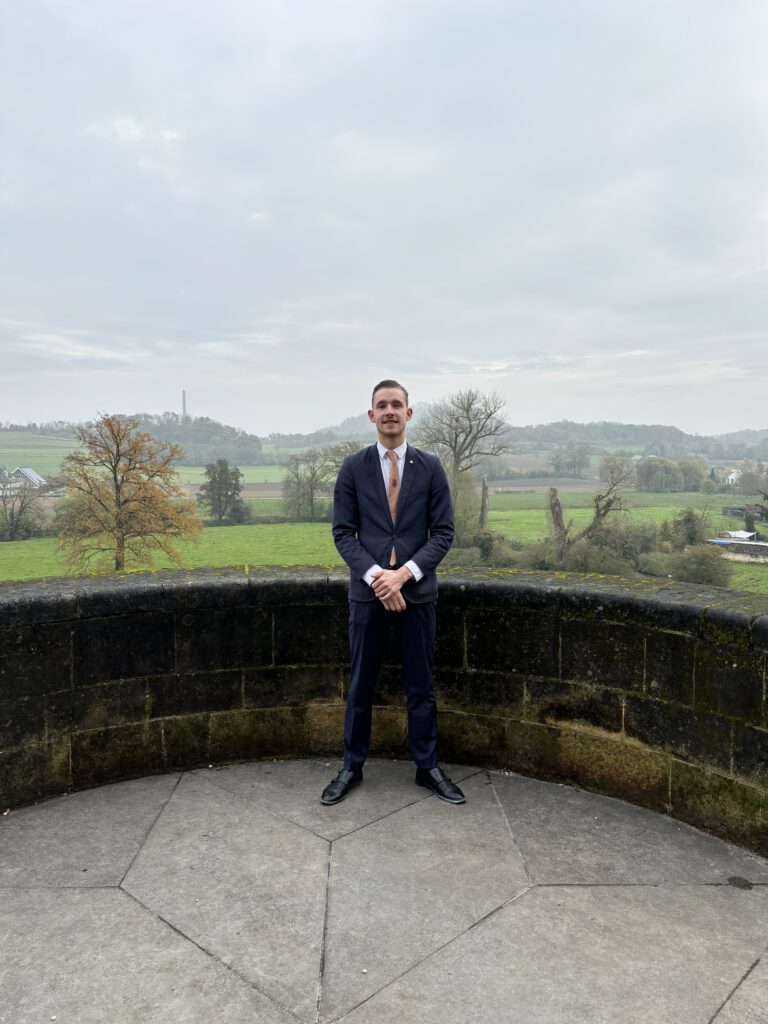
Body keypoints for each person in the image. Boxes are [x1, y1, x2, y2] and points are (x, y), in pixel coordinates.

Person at [321, 379, 465, 806]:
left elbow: (442, 533)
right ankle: (351, 766)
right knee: (360, 684)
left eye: (396, 405)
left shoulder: (432, 467)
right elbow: (343, 534)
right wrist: (377, 579)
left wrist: (402, 576)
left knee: (421, 687)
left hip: (417, 596)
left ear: (409, 413)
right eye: (381, 405)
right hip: (367, 598)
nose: (389, 411)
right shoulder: (353, 467)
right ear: (371, 415)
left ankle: (428, 767)